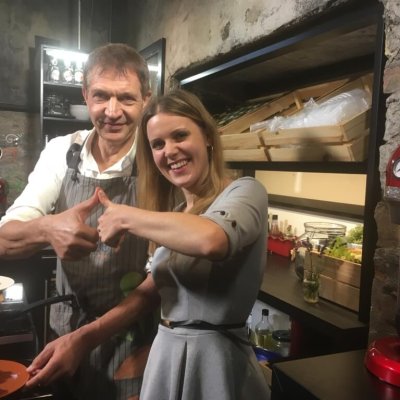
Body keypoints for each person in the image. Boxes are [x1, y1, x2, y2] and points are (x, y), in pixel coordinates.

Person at [0, 43, 159, 399]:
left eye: (126, 98)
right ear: (85, 94)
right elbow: (4, 239)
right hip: (64, 335)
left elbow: (164, 277)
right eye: (101, 96)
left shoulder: (158, 157)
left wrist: (87, 339)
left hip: (133, 341)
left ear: (146, 99)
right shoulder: (61, 151)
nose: (112, 112)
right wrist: (47, 228)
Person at [96, 89, 271, 400]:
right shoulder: (178, 213)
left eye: (180, 136)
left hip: (215, 362)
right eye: (158, 144)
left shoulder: (245, 191)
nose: (170, 151)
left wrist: (124, 216)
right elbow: (153, 290)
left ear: (207, 136)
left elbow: (212, 240)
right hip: (166, 353)